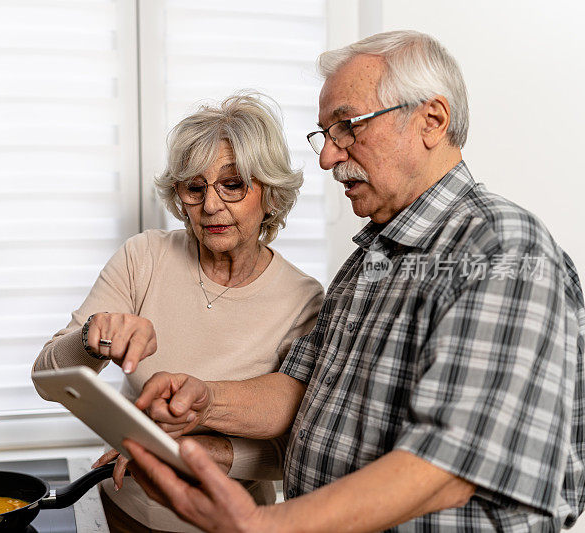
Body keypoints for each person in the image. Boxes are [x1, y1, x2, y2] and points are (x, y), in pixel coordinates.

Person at [123, 30, 585, 532]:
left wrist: (267, 526)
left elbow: (456, 460)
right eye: (325, 134)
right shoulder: (370, 259)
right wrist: (206, 401)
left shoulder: (499, 247)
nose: (327, 158)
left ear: (432, 120)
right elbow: (300, 387)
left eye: (347, 127)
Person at [32, 92, 324, 532]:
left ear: (271, 194)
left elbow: (293, 449)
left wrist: (196, 451)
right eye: (194, 187)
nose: (209, 206)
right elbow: (47, 379)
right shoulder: (144, 256)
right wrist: (93, 336)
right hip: (123, 513)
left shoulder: (302, 299)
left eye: (233, 183)